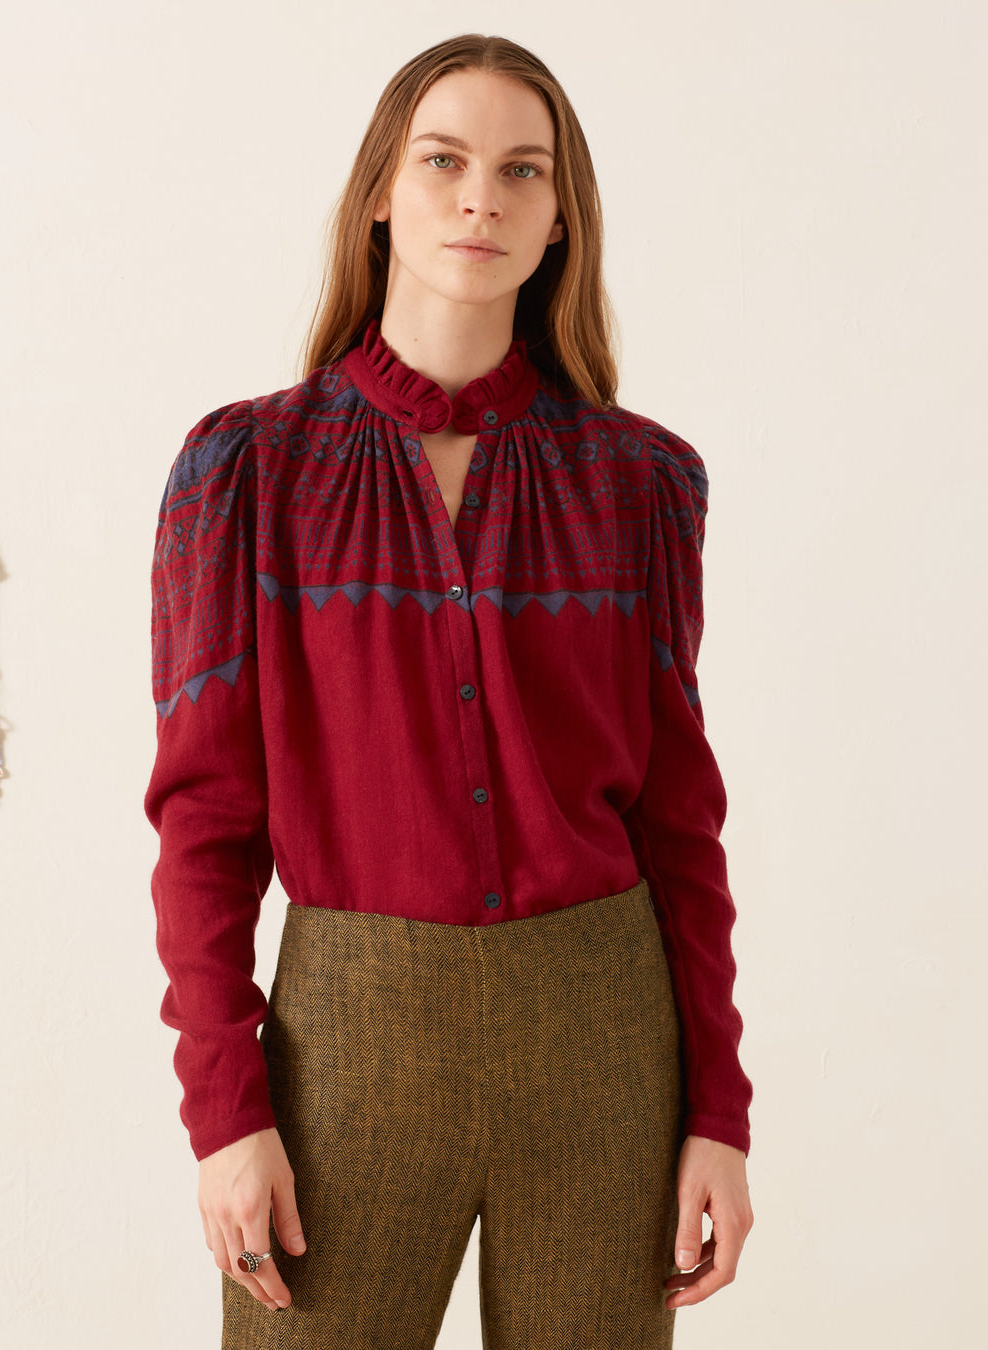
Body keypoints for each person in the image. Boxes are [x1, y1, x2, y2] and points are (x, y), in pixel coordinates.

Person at [145, 31, 754, 1350]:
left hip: (606, 1037)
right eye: (445, 160)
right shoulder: (246, 471)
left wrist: (718, 1109)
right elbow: (203, 820)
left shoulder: (640, 484)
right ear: (381, 194)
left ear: (557, 220)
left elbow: (680, 821)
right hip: (350, 1037)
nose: (482, 195)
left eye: (522, 171)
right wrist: (226, 1114)